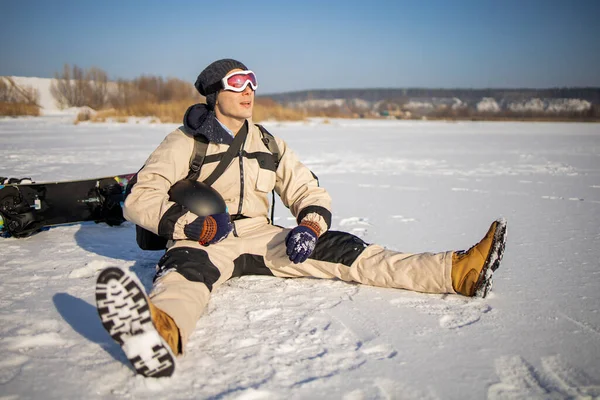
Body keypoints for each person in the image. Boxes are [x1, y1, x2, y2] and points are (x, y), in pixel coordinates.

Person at [95, 59, 507, 378]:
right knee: (184, 275)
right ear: (215, 93)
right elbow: (139, 198)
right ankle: (161, 332)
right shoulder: (185, 141)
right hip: (203, 236)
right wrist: (191, 226)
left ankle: (454, 272)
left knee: (348, 249)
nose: (249, 90)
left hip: (260, 234)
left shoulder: (269, 142)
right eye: (238, 83)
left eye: (252, 81)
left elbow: (309, 191)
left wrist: (309, 227)